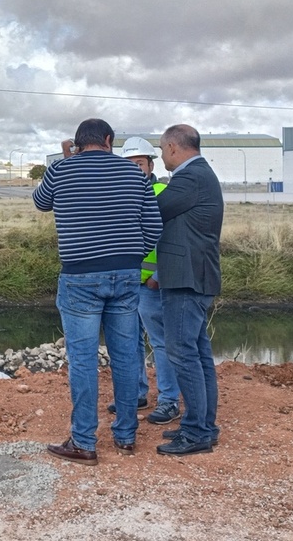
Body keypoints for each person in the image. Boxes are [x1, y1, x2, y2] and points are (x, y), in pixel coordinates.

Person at [34, 119, 163, 465]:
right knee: (125, 357)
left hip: (79, 277)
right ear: (109, 140)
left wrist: (63, 159)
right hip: (125, 276)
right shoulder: (135, 175)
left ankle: (84, 441)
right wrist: (133, 257)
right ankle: (125, 435)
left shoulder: (61, 170)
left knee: (83, 360)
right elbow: (154, 227)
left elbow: (40, 202)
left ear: (77, 143)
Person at [154, 124, 224, 456]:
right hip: (195, 275)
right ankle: (203, 426)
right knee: (197, 355)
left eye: (161, 149)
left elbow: (156, 208)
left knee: (183, 354)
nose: (161, 156)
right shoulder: (200, 173)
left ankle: (197, 432)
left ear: (172, 147)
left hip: (187, 279)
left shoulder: (189, 177)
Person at [114, 136, 182, 427]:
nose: (134, 169)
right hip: (127, 283)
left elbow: (172, 239)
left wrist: (158, 276)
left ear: (150, 165)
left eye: (139, 163)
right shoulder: (121, 193)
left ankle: (168, 401)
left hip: (153, 286)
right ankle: (136, 395)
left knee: (161, 344)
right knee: (130, 344)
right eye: (129, 165)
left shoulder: (161, 192)